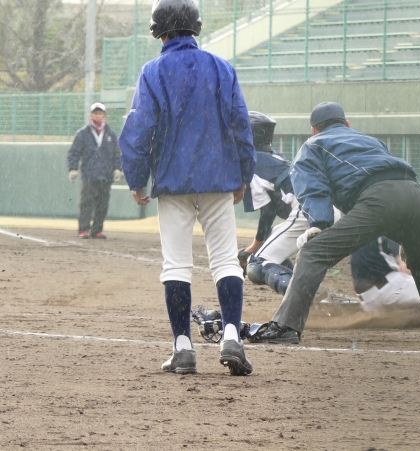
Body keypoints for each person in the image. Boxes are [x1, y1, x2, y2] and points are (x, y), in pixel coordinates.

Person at [248, 101, 420, 344]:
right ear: (347, 124)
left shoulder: (313, 144)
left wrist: (319, 224)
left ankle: (286, 327)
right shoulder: (372, 141)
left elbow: (313, 188)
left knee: (313, 252)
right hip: (417, 196)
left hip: (377, 198)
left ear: (314, 130)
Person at [118, 0, 257, 376]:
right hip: (218, 177)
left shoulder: (153, 71)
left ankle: (183, 348)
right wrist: (244, 174)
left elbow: (138, 130)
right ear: (196, 27)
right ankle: (232, 337)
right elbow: (241, 125)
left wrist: (136, 178)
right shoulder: (222, 67)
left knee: (176, 264)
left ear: (159, 32)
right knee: (226, 260)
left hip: (173, 180)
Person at [239, 111, 340, 296]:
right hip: (327, 208)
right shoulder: (274, 157)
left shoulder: (253, 162)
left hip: (309, 210)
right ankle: (321, 297)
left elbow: (268, 210)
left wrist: (254, 246)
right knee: (271, 244)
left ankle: (310, 297)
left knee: (257, 264)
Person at [67, 102, 122, 239]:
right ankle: (84, 229)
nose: (98, 116)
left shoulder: (111, 134)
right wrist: (73, 169)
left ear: (104, 116)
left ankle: (97, 230)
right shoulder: (82, 134)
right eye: (95, 113)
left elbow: (117, 153)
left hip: (106, 175)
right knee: (86, 203)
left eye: (100, 113)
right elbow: (74, 152)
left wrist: (117, 168)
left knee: (102, 204)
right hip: (89, 175)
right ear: (91, 115)